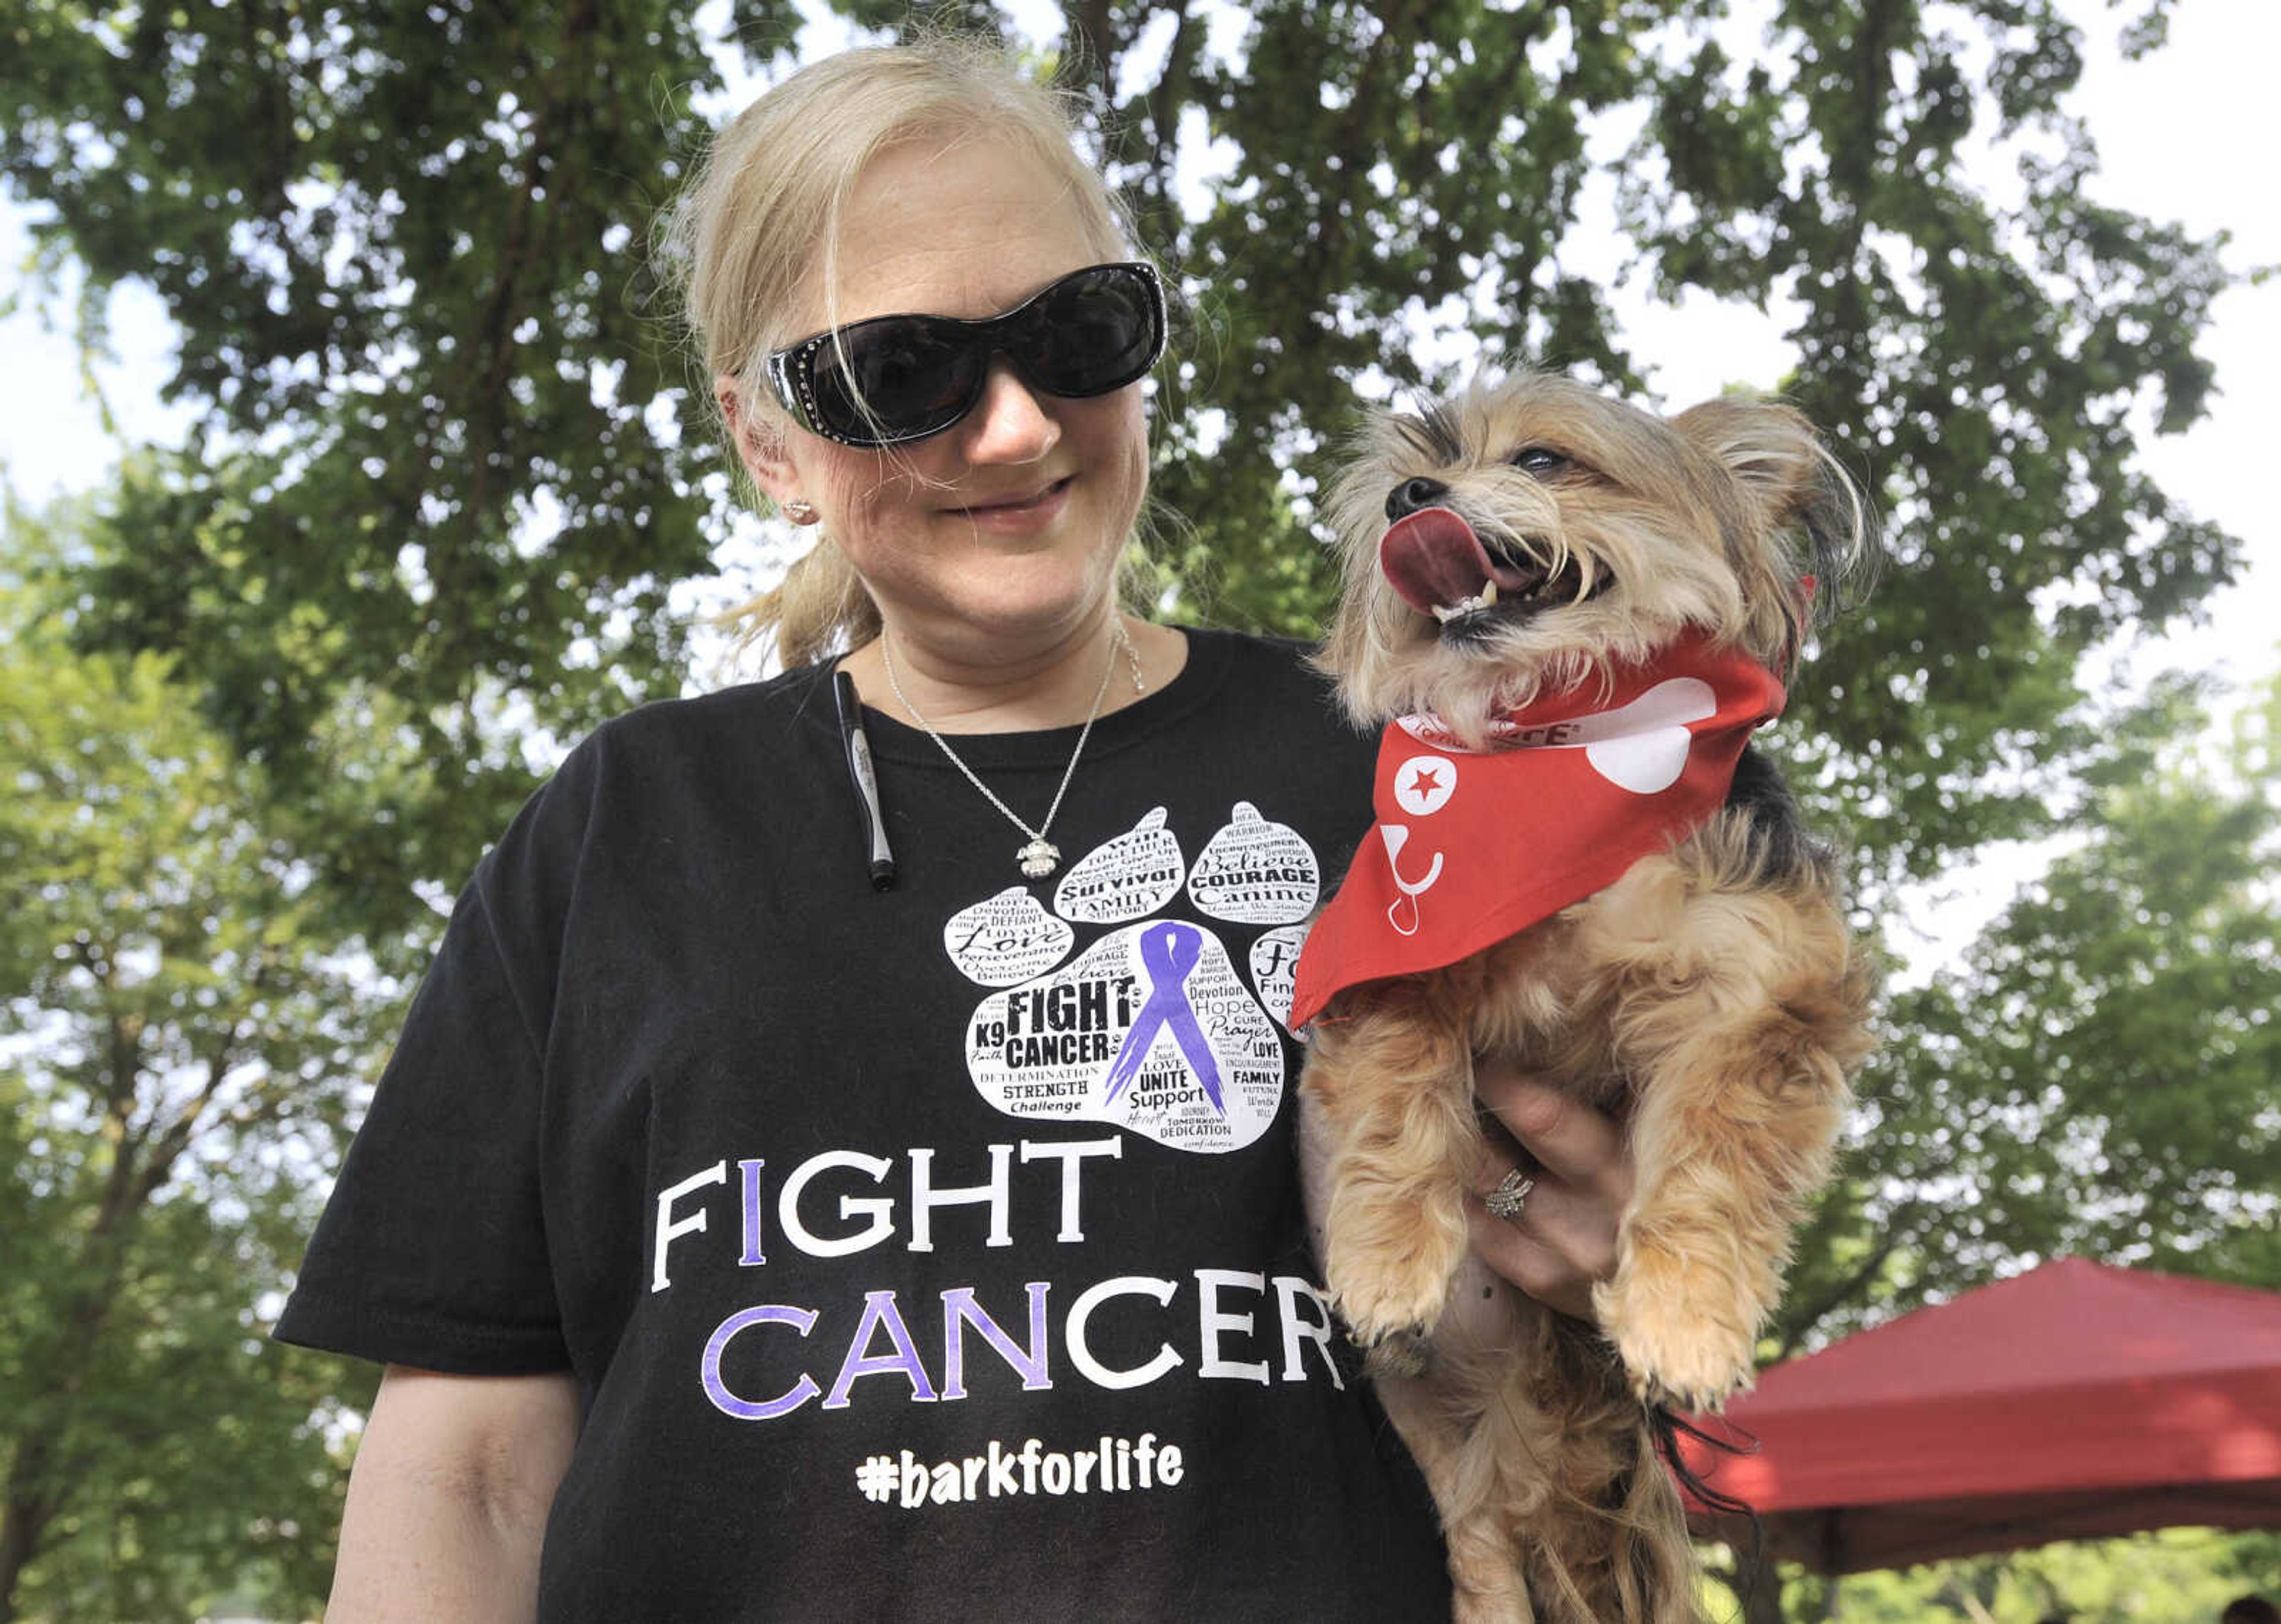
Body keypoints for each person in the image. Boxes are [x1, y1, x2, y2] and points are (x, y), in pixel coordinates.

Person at [276, 37, 1637, 1622]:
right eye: (899, 373)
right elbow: (470, 1475)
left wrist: (1611, 1237)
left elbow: (1621, 1305)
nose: (1011, 428)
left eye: (1076, 333)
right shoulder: (623, 833)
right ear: (766, 443)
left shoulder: (1399, 765)